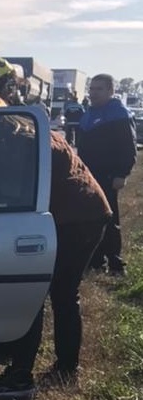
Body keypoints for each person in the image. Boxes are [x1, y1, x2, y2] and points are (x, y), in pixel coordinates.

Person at [0, 57, 111, 399]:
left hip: (78, 218)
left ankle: (22, 375)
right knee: (54, 294)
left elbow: (14, 191)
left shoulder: (17, 134)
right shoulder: (20, 126)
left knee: (41, 292)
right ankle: (59, 370)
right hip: (75, 213)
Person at [76, 74, 136, 276]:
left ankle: (115, 264)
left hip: (109, 176)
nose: (93, 93)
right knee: (90, 220)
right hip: (88, 176)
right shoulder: (89, 114)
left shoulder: (119, 114)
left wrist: (122, 173)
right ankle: (95, 261)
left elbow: (129, 147)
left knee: (109, 220)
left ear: (110, 91)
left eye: (99, 89)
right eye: (91, 89)